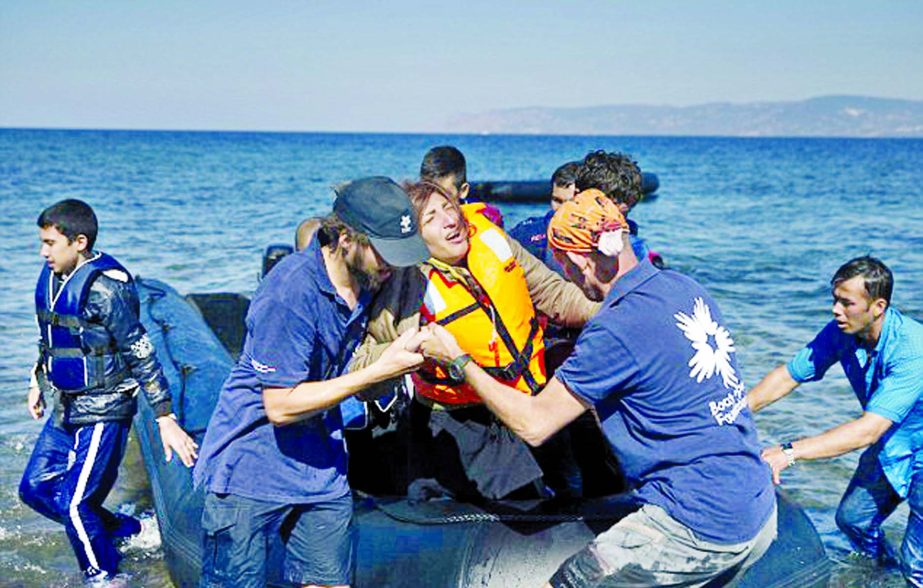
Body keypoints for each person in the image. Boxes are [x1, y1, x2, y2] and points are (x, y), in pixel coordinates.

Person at [419, 190, 777, 587]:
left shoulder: (616, 329)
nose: (566, 278)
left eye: (563, 267)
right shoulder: (683, 287)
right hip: (758, 506)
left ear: (577, 260)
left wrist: (458, 360)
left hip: (695, 523)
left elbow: (534, 424)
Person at [192, 177, 430, 588]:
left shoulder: (375, 280)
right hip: (251, 467)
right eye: (384, 252)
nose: (392, 265)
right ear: (344, 238)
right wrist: (377, 372)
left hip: (321, 466)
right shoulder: (290, 291)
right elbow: (280, 407)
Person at [350, 180, 600, 501]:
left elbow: (555, 294)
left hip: (531, 399)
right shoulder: (406, 286)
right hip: (465, 422)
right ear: (416, 239)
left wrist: (612, 311)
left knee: (580, 483)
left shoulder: (491, 239)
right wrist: (410, 348)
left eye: (448, 208)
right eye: (431, 219)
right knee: (518, 510)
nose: (449, 220)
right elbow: (364, 372)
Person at [19, 199, 198, 582]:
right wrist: (37, 377)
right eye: (42, 242)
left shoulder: (106, 289)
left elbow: (141, 350)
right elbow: (52, 334)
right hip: (66, 405)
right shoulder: (53, 277)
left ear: (79, 242)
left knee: (74, 504)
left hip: (105, 408)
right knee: (33, 489)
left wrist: (165, 416)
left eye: (50, 243)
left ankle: (104, 576)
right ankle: (126, 530)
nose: (42, 251)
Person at [747, 256, 923, 582]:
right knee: (852, 520)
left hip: (909, 448)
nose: (835, 310)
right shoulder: (841, 332)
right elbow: (788, 376)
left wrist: (788, 452)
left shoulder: (914, 350)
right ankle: (878, 576)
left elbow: (866, 431)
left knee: (916, 566)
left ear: (878, 306)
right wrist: (733, 414)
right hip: (892, 444)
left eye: (846, 303)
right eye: (834, 300)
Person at [575, 150, 662, 267]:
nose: (613, 218)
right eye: (605, 206)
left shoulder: (635, 246)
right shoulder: (559, 237)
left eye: (620, 214)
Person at [509, 161, 579, 272]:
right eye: (557, 200)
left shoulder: (604, 240)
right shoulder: (527, 234)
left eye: (570, 202)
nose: (562, 210)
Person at [420, 145, 504, 227]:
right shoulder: (414, 220)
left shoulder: (486, 218)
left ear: (463, 191)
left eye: (445, 195)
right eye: (428, 192)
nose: (435, 201)